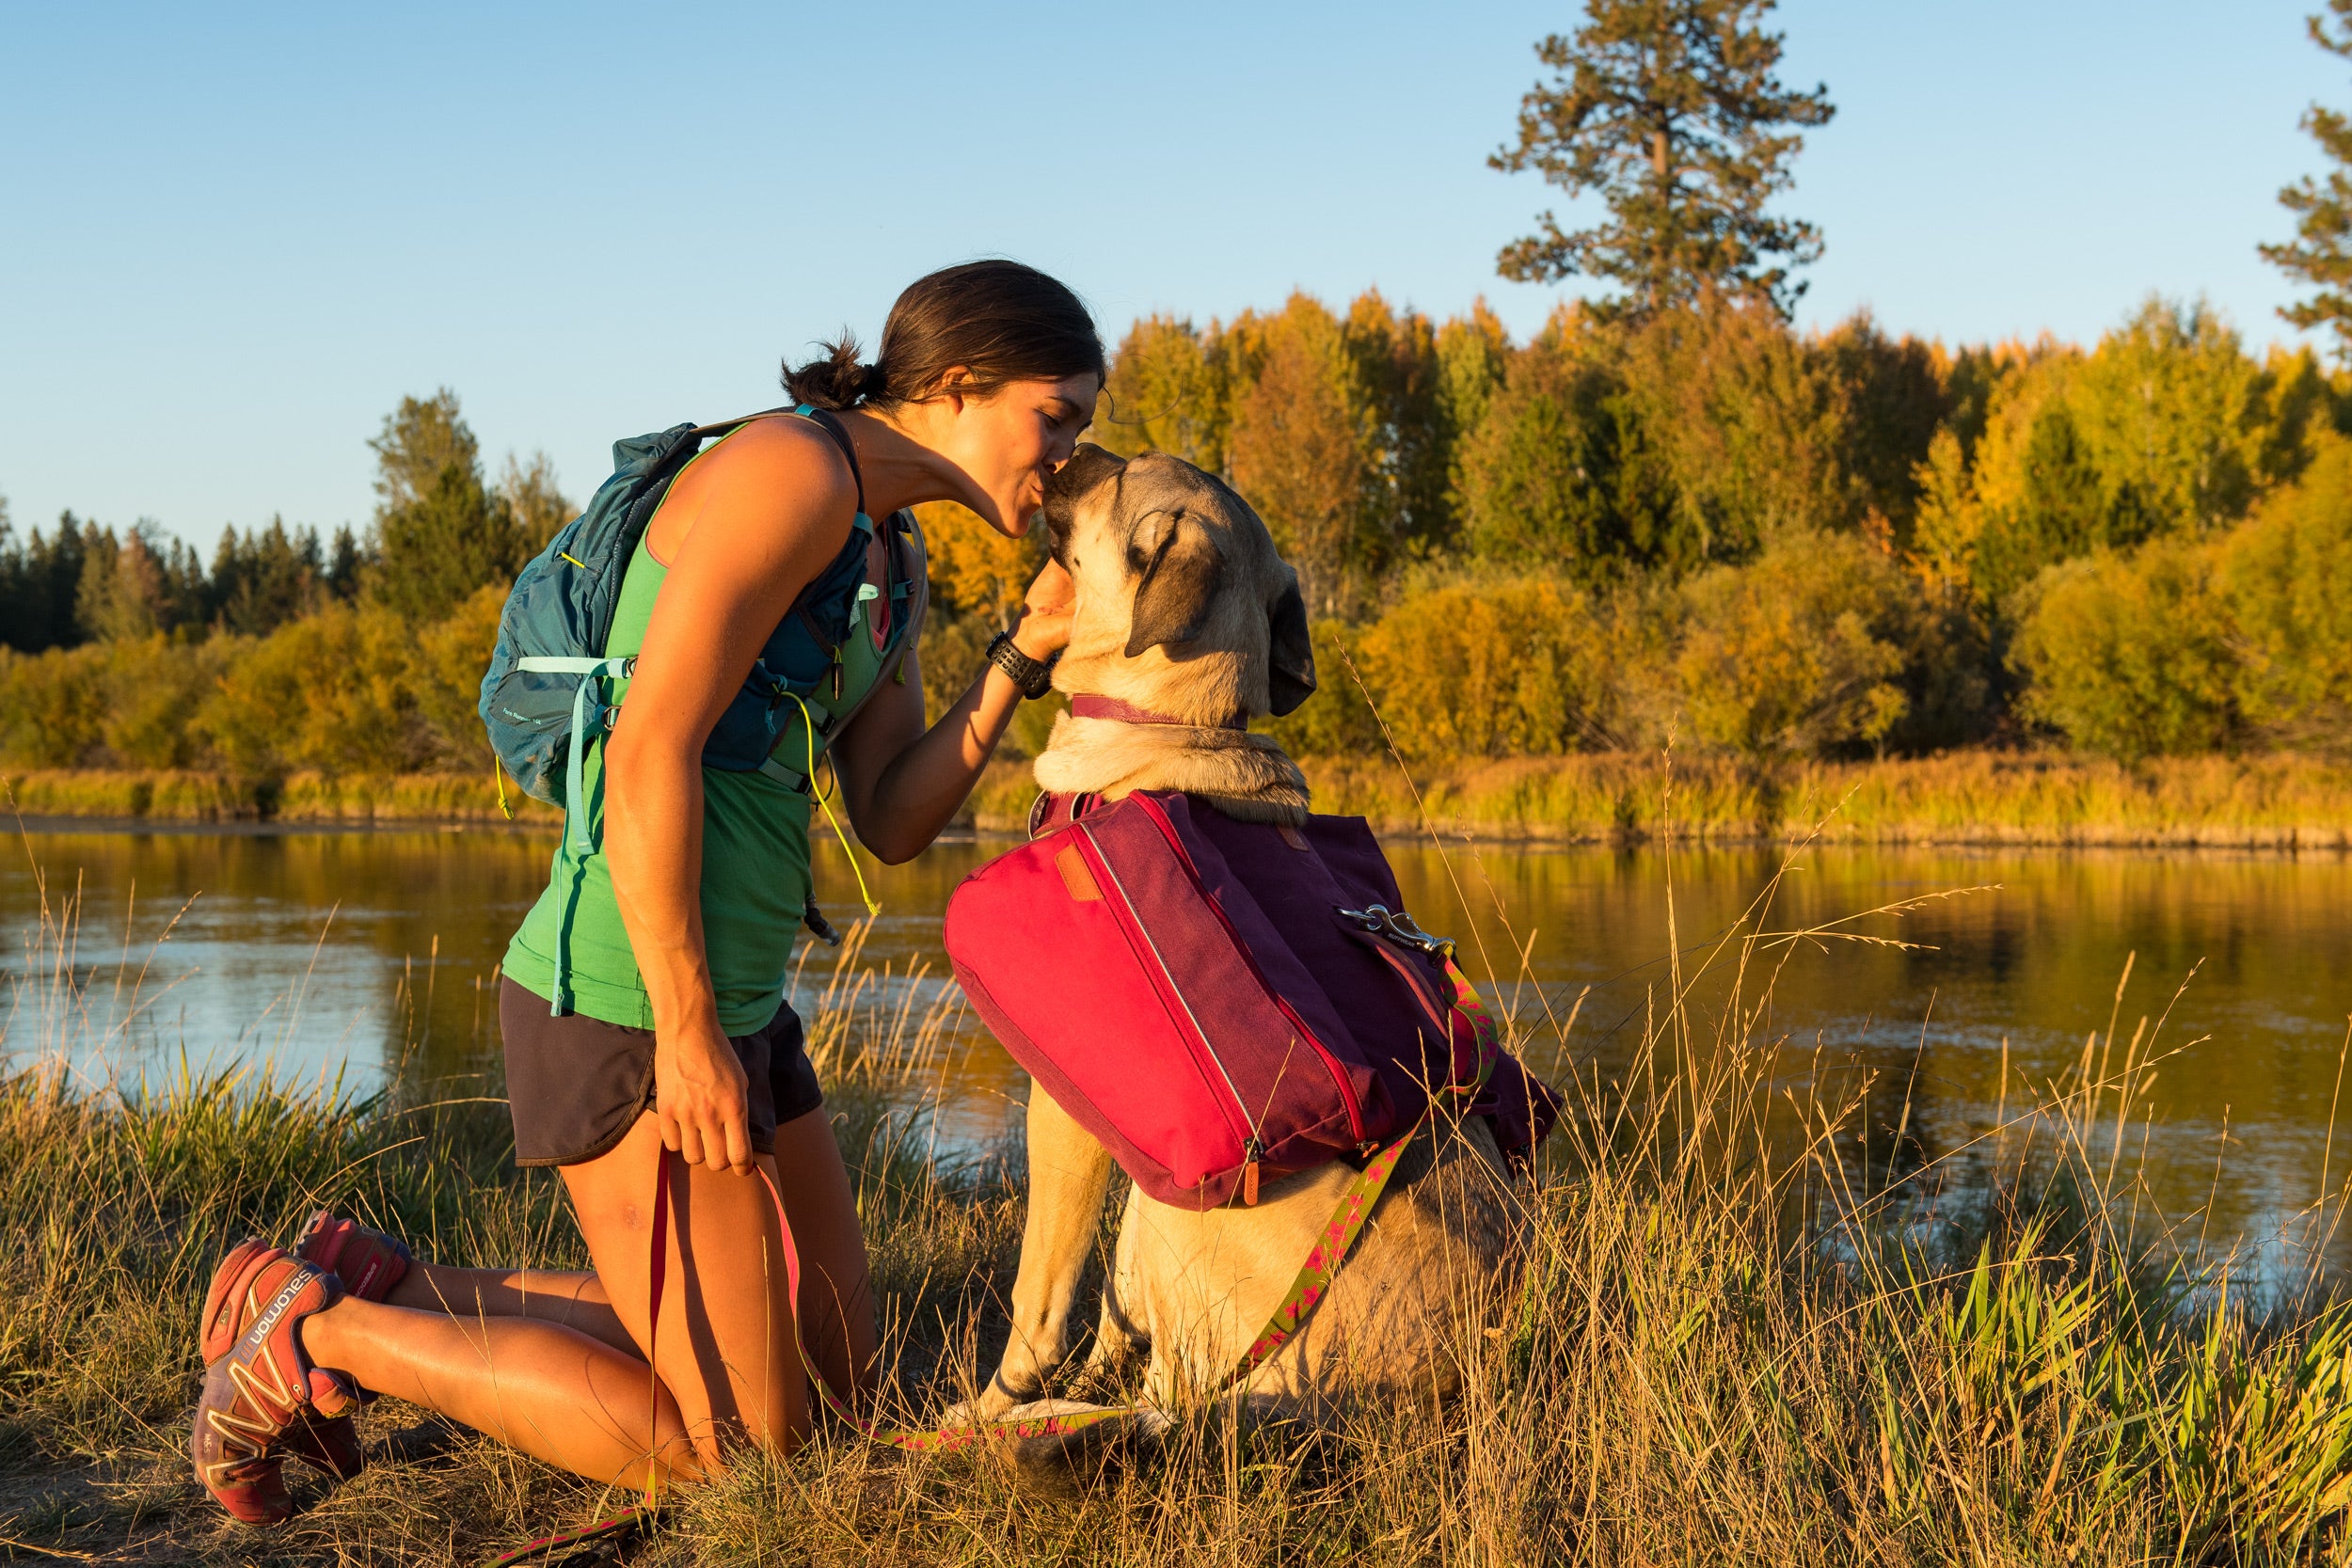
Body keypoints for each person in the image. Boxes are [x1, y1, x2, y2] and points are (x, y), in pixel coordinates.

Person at [189, 261, 1104, 1524]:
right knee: (739, 1458)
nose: (1066, 455)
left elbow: (892, 816)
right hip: (628, 995)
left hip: (740, 1006)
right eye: (1056, 415)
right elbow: (647, 747)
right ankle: (323, 1338)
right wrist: (682, 1029)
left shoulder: (887, 553)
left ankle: (380, 1280)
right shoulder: (789, 475)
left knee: (847, 1405)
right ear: (956, 387)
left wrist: (1018, 661)